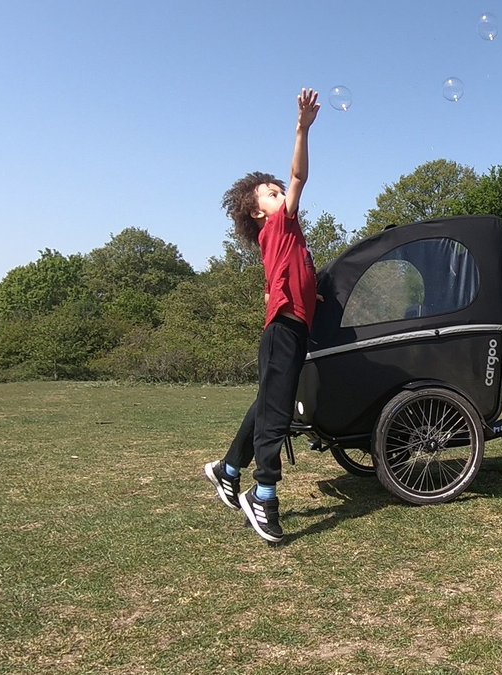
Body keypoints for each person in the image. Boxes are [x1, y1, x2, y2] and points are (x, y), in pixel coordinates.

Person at [203, 88, 321, 543]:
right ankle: (264, 494)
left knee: (270, 404)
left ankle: (229, 469)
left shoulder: (294, 242)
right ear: (258, 212)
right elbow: (299, 175)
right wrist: (302, 129)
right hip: (283, 331)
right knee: (277, 414)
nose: (281, 193)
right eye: (271, 193)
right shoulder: (279, 224)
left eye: (278, 191)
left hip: (293, 329)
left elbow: (303, 282)